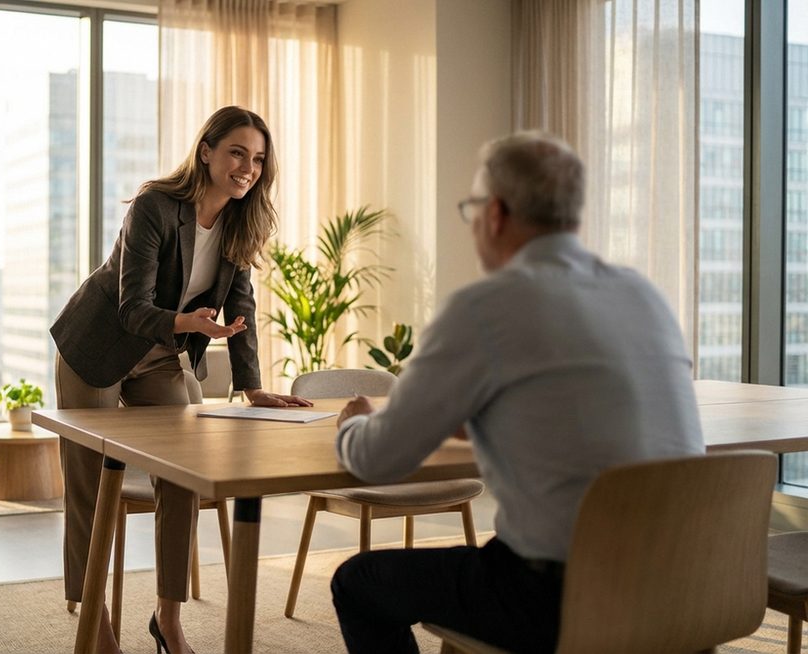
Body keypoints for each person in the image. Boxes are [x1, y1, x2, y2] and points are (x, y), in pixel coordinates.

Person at [329, 131, 705, 654]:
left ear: (496, 213)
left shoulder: (486, 307)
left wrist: (352, 422)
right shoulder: (644, 294)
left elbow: (377, 459)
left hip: (559, 599)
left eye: (471, 209)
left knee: (359, 583)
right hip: (685, 586)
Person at [50, 105, 311, 654]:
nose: (247, 168)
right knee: (90, 483)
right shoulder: (156, 206)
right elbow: (131, 306)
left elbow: (241, 306)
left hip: (162, 352)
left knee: (184, 472)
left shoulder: (241, 220)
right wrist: (188, 323)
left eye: (257, 158)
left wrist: (251, 386)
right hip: (99, 345)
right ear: (206, 152)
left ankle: (166, 619)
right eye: (237, 152)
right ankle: (95, 623)